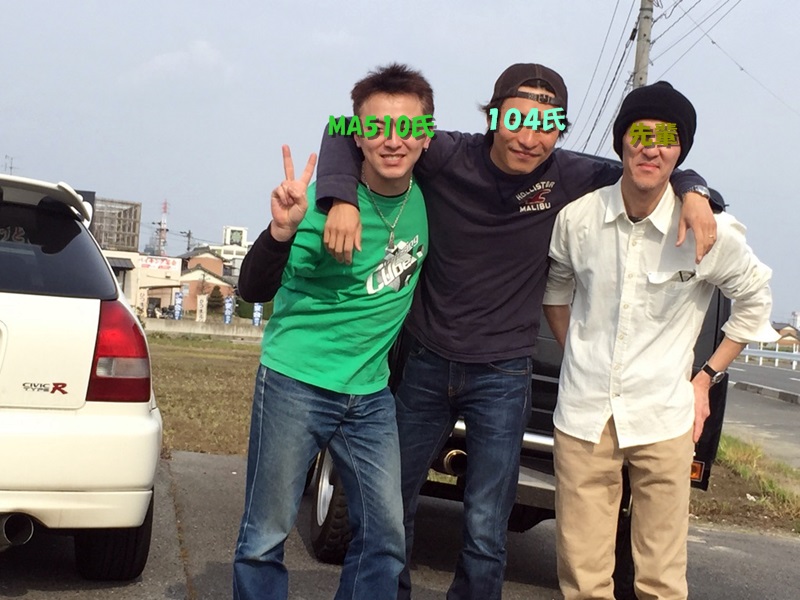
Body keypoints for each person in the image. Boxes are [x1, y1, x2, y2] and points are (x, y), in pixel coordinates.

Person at [314, 64, 720, 600]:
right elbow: (343, 128)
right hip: (428, 360)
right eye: (516, 120)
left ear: (560, 130)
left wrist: (694, 188)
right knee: (390, 504)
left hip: (503, 374)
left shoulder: (570, 175)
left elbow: (646, 166)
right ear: (494, 116)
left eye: (547, 125)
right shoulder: (447, 153)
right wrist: (340, 197)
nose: (529, 138)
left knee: (487, 525)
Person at [542, 81, 780, 600]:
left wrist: (705, 378)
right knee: (582, 577)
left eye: (667, 138)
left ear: (680, 151)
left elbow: (755, 301)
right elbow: (556, 292)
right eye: (640, 134)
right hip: (584, 416)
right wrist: (578, 352)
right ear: (621, 141)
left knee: (661, 580)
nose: (652, 148)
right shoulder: (578, 220)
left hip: (665, 416)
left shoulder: (708, 231)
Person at [232, 63, 433, 600]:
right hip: (296, 382)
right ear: (357, 136)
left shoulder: (427, 197)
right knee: (264, 534)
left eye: (408, 128)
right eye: (376, 128)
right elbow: (252, 288)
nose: (393, 140)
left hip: (370, 394)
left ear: (427, 136)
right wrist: (281, 231)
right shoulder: (323, 204)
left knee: (386, 537)